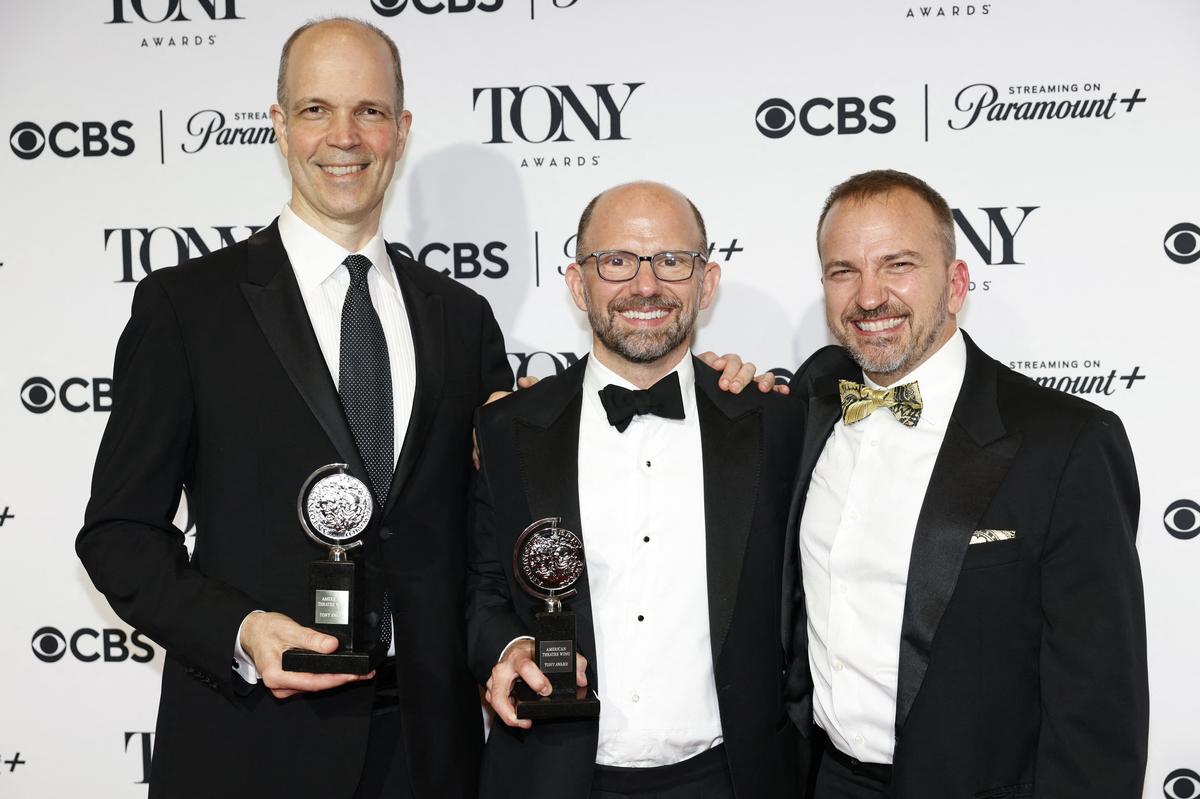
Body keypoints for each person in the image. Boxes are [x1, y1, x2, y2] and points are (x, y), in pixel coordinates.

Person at [76, 17, 513, 798]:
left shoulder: (462, 319)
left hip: (429, 752)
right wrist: (239, 630)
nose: (343, 136)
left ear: (402, 129)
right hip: (249, 746)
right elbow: (119, 535)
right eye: (315, 109)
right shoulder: (188, 307)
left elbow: (490, 529)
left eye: (370, 111)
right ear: (278, 126)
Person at [781, 169, 1148, 798]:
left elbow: (1099, 699)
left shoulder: (1067, 442)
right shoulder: (808, 407)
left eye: (898, 265)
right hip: (829, 781)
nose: (869, 297)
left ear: (955, 285)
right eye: (844, 271)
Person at [467, 181, 805, 799]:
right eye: (616, 261)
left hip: (733, 776)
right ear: (577, 283)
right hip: (549, 774)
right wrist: (510, 645)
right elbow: (481, 584)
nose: (645, 286)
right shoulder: (508, 426)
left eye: (672, 261)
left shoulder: (774, 425)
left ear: (707, 283)